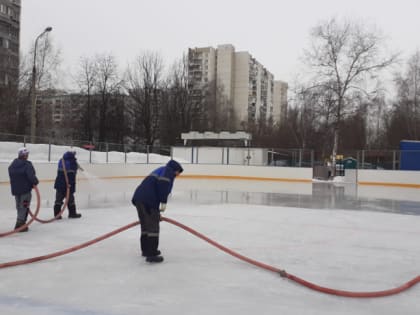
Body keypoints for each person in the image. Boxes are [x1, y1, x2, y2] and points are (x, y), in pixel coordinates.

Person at [131, 159, 183, 263]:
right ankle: (151, 254)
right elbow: (163, 185)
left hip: (139, 199)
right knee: (153, 227)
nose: (178, 175)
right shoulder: (168, 171)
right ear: (175, 169)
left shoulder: (161, 170)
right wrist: (163, 202)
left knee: (145, 226)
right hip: (149, 201)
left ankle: (146, 250)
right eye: (178, 172)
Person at [8, 147, 39, 232]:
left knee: (19, 206)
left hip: (16, 190)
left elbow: (11, 173)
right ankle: (20, 224)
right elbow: (31, 176)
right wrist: (35, 182)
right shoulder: (27, 164)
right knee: (24, 206)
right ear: (24, 155)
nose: (27, 156)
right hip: (25, 189)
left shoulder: (13, 164)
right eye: (27, 154)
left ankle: (20, 222)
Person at [53, 151, 82, 219]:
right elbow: (72, 174)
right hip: (68, 184)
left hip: (59, 184)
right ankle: (72, 213)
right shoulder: (72, 162)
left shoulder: (61, 161)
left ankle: (57, 215)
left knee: (58, 200)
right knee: (71, 199)